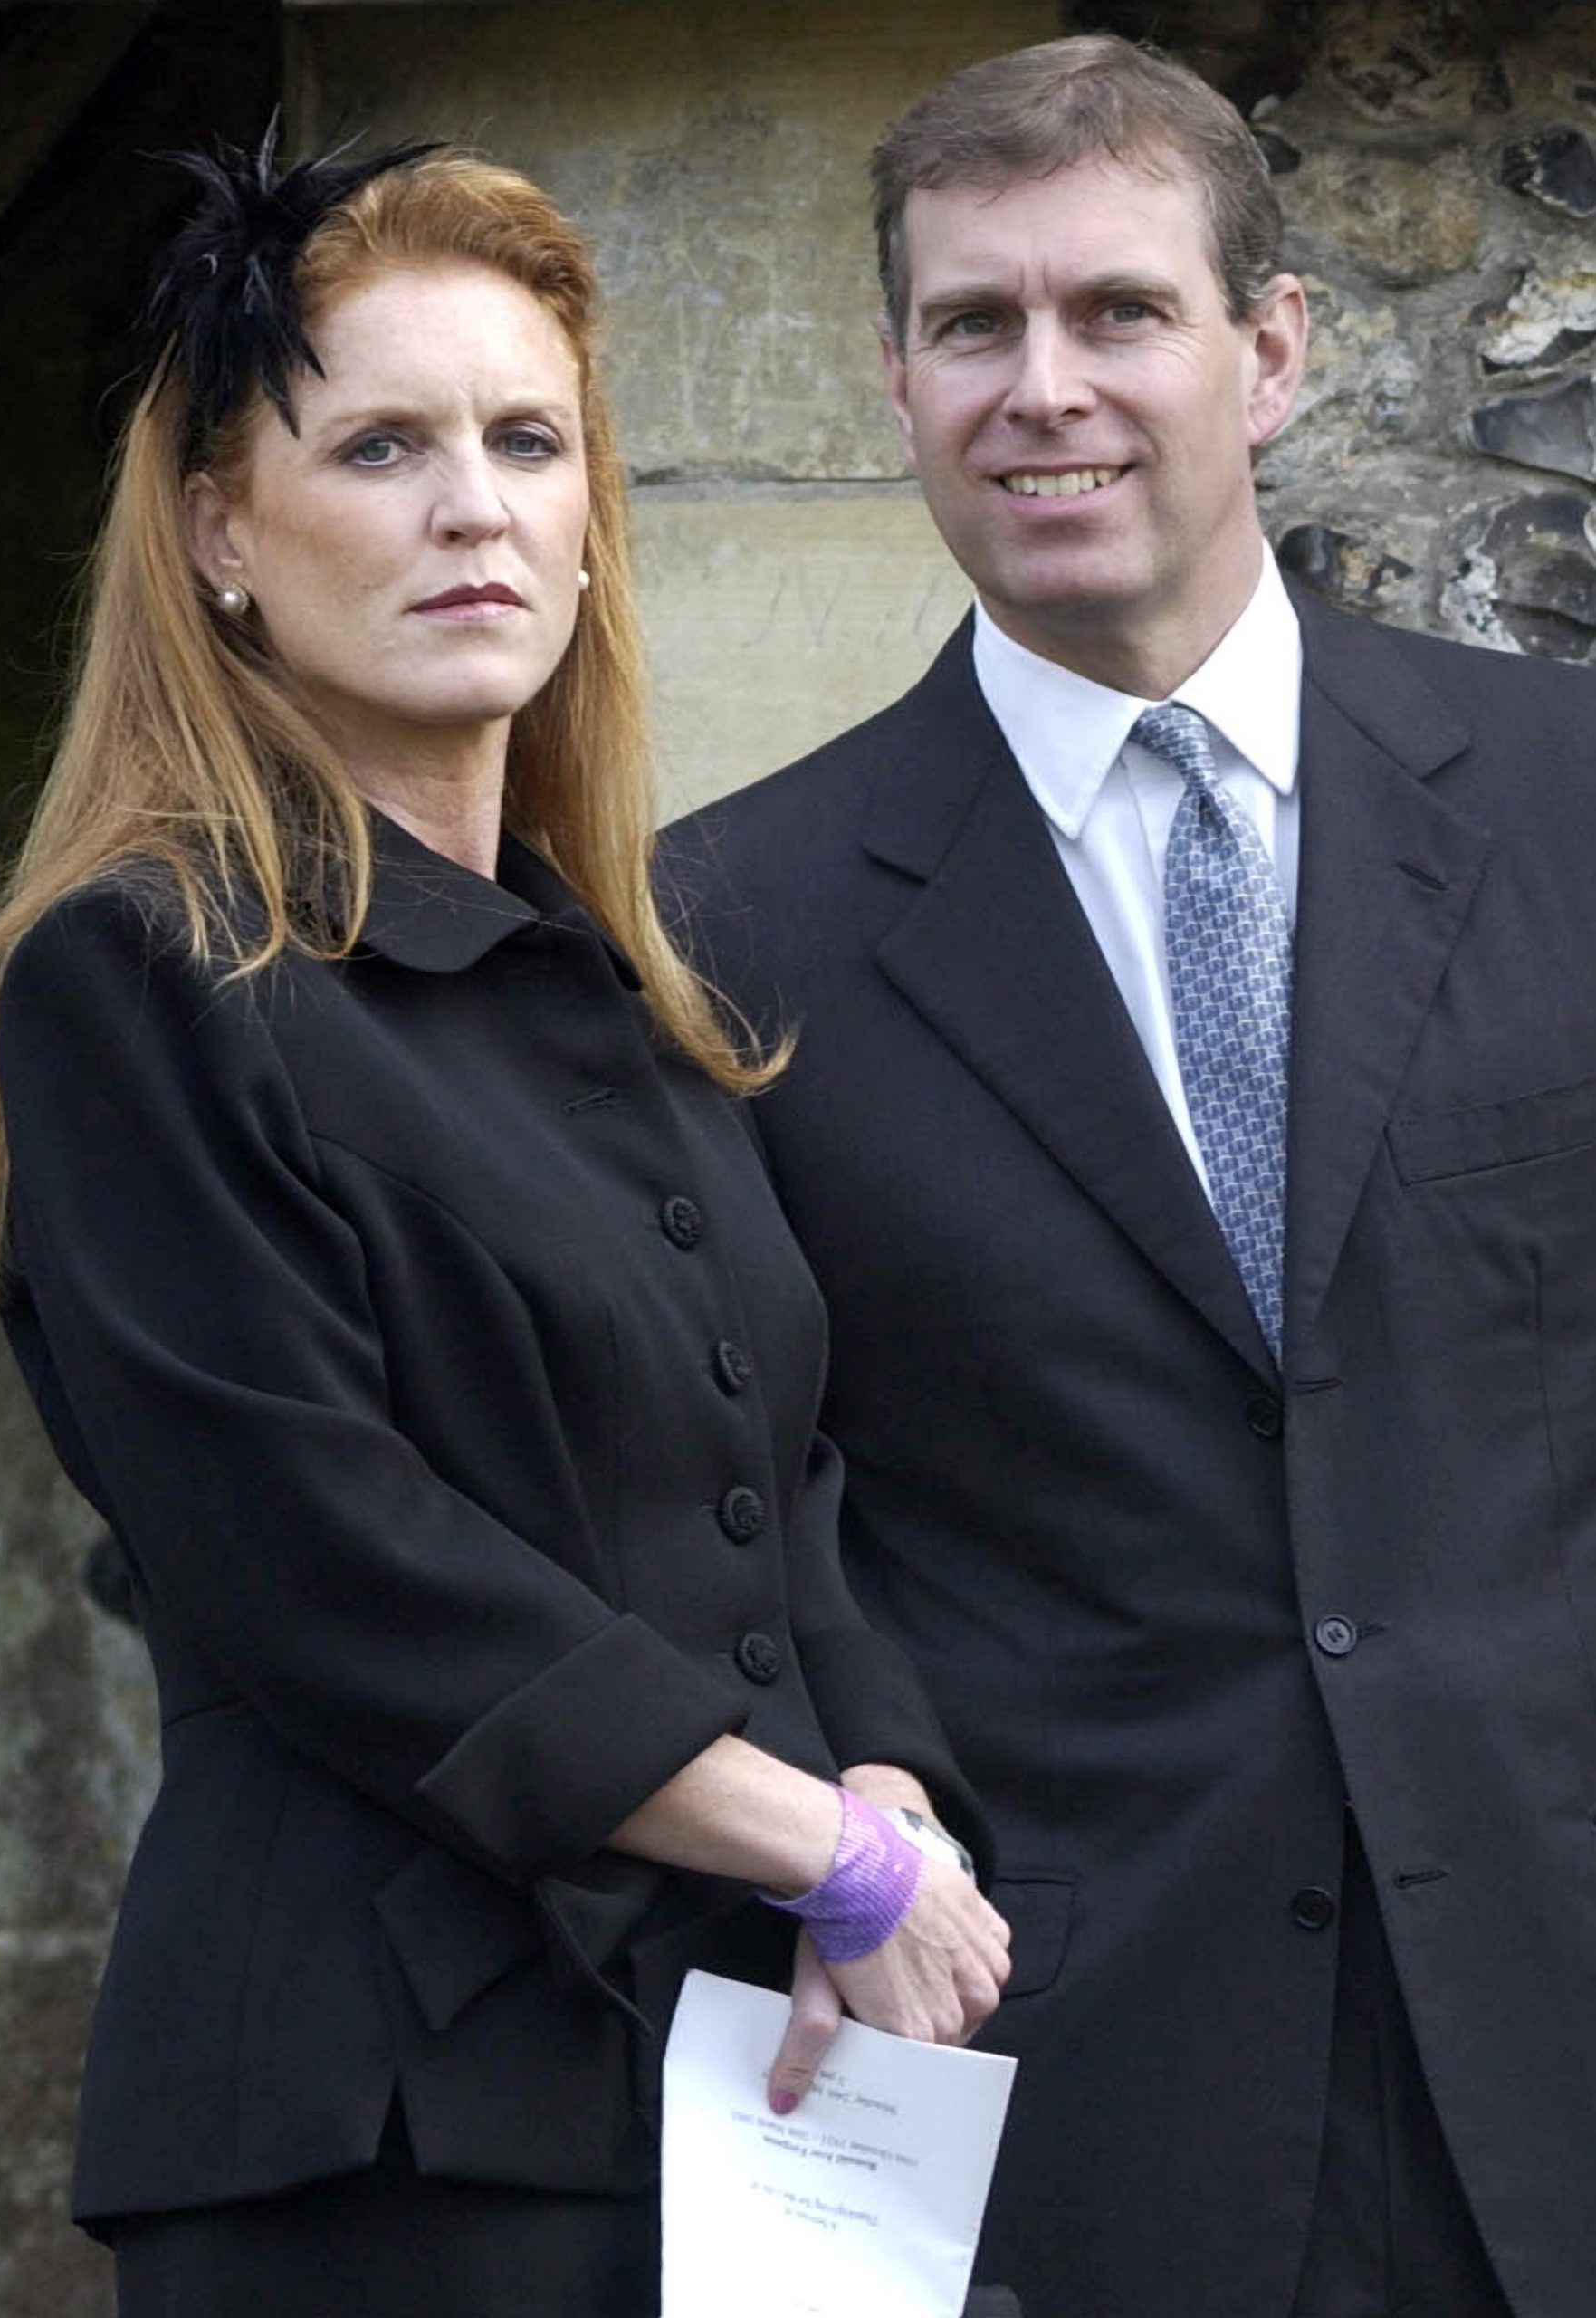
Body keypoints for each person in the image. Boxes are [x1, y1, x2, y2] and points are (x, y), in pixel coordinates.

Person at [0, 137, 1011, 2316]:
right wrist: (832, 1842)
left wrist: (886, 1769)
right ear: (223, 533)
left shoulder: (623, 985)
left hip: (730, 2097)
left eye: (528, 443)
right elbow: (321, 1548)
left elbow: (774, 1478)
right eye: (383, 445)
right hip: (383, 2126)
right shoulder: (137, 975)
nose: (475, 505)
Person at [664, 32, 1596, 2318]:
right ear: (894, 379)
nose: (1040, 386)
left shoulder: (1573, 801)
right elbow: (742, 1500)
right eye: (973, 324)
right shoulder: (722, 929)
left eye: (1117, 311)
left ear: (1268, 351)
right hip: (1085, 2096)